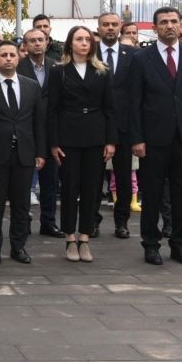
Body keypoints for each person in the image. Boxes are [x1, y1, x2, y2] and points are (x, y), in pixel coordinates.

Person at [125, 7, 182, 266]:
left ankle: (179, 244)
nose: (169, 26)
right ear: (154, 28)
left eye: (174, 22)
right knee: (152, 194)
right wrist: (137, 138)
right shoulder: (141, 59)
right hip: (153, 139)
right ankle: (151, 244)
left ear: (181, 26)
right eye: (163, 22)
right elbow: (134, 103)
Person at [48, 26, 115, 263]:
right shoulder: (59, 72)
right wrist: (54, 142)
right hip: (68, 135)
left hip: (96, 135)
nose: (84, 43)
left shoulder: (102, 71)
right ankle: (69, 237)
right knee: (69, 188)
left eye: (88, 39)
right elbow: (52, 110)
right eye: (79, 39)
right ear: (70, 43)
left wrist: (110, 141)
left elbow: (110, 109)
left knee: (91, 189)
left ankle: (85, 237)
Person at [0, 40, 45, 264]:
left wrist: (40, 152)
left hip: (24, 154)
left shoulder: (31, 86)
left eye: (12, 55)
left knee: (21, 205)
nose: (8, 58)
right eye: (3, 55)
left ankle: (19, 247)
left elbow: (38, 123)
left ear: (18, 58)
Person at [96, 11, 136, 239]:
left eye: (114, 24)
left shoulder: (132, 54)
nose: (110, 28)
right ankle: (93, 221)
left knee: (123, 177)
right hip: (95, 125)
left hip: (124, 126)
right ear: (98, 27)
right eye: (105, 25)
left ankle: (122, 222)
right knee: (93, 178)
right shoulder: (88, 53)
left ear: (120, 27)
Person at [17, 28, 61, 238]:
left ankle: (49, 222)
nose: (36, 44)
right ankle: (23, 221)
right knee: (25, 182)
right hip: (26, 130)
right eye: (31, 41)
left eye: (40, 40)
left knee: (50, 182)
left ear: (47, 42)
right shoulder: (18, 67)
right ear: (24, 45)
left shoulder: (57, 67)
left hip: (52, 131)